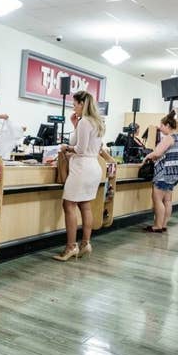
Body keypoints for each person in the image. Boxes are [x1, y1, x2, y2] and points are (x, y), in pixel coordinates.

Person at [53, 90, 105, 261]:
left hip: (82, 168)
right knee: (85, 205)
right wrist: (74, 125)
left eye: (75, 104)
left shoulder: (85, 122)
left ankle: (70, 247)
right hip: (93, 167)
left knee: (68, 205)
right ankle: (85, 243)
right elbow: (88, 145)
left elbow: (80, 148)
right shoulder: (97, 122)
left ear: (82, 104)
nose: (73, 107)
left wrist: (65, 148)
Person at [142, 110, 178, 233]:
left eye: (161, 126)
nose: (160, 128)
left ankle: (157, 226)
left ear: (168, 126)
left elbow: (157, 153)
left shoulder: (168, 138)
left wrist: (146, 157)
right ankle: (164, 224)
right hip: (175, 172)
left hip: (165, 173)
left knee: (157, 199)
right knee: (167, 200)